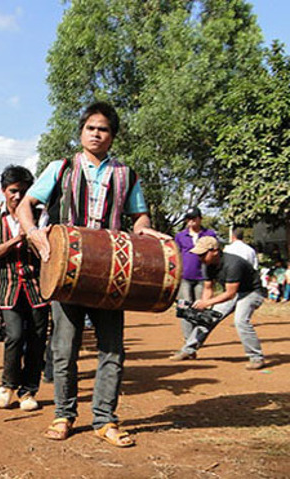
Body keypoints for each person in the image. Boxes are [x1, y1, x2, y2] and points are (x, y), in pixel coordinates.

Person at [17, 102, 168, 447]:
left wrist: (145, 230)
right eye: (91, 128)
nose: (96, 134)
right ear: (82, 131)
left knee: (112, 349)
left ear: (112, 136)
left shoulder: (126, 174)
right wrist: (33, 234)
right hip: (66, 271)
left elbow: (139, 216)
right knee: (64, 348)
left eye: (103, 129)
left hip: (112, 272)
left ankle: (104, 419)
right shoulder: (61, 168)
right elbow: (26, 204)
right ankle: (64, 415)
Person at [0, 165, 50, 412]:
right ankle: (7, 384)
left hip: (38, 286)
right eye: (13, 191)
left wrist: (32, 236)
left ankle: (29, 391)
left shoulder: (41, 215)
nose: (18, 196)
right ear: (3, 191)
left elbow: (47, 249)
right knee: (15, 336)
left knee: (37, 339)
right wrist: (16, 239)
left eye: (24, 191)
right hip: (8, 286)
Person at [170, 236, 267, 370]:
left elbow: (230, 293)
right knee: (208, 318)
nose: (200, 258)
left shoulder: (233, 264)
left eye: (203, 254)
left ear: (214, 251)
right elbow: (208, 288)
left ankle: (256, 358)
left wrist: (207, 303)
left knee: (241, 321)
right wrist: (204, 305)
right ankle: (188, 350)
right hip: (234, 292)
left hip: (252, 292)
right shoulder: (207, 265)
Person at [174, 207, 217, 342]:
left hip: (203, 277)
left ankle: (198, 337)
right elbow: (176, 255)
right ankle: (188, 339)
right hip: (185, 277)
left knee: (201, 308)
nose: (191, 222)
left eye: (194, 219)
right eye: (188, 219)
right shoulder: (180, 236)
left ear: (200, 219)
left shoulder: (209, 234)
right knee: (186, 309)